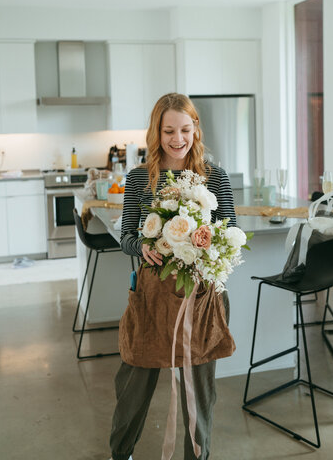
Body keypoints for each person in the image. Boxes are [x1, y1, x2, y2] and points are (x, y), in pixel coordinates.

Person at [109, 93, 236, 460]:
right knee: (133, 385)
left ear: (195, 128)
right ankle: (121, 454)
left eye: (185, 129)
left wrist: (204, 247)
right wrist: (141, 247)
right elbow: (128, 236)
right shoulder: (139, 178)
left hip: (200, 298)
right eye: (168, 131)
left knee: (199, 396)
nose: (177, 139)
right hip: (151, 296)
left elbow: (230, 235)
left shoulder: (216, 178)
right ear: (157, 132)